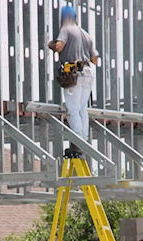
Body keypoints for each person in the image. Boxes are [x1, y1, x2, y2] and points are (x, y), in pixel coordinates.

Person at [48, 6, 99, 154]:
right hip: (88, 73)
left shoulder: (66, 29)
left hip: (73, 74)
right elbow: (94, 59)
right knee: (83, 108)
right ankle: (83, 139)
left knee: (72, 109)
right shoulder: (86, 34)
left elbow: (59, 47)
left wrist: (51, 45)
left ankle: (77, 141)